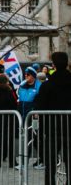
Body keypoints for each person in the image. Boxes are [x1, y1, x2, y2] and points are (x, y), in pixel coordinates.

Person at [33, 51, 71, 185]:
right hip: (68, 127)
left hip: (51, 128)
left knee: (50, 163)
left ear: (53, 65)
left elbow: (40, 106)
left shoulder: (47, 85)